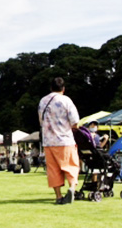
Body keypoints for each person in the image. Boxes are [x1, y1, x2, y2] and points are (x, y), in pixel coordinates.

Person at [38, 77, 80, 205]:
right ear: (63, 89)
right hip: (65, 140)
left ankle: (58, 196)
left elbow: (41, 121)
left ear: (51, 88)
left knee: (53, 170)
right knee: (71, 166)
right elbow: (75, 122)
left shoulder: (43, 101)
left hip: (48, 142)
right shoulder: (66, 100)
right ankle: (72, 188)